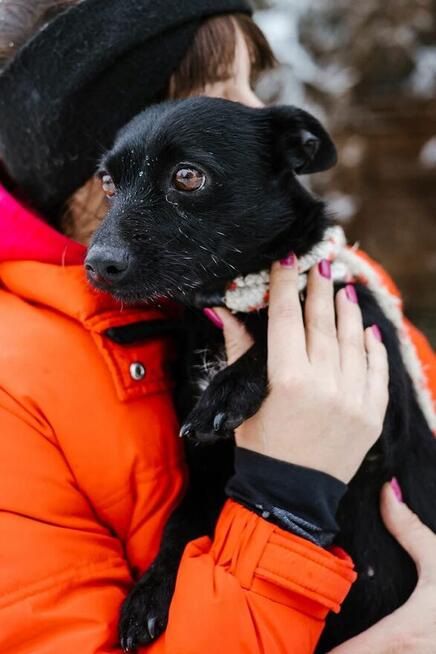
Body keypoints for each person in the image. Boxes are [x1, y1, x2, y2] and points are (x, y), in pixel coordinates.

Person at [0, 2, 434, 653]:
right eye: (220, 94)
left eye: (254, 82)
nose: (256, 111)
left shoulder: (329, 282)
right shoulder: (19, 388)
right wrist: (286, 501)